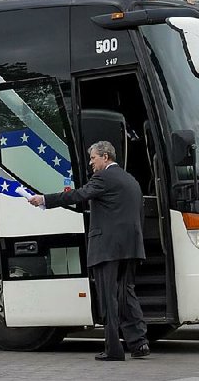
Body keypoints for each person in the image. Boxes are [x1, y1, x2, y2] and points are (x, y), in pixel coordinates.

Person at [28, 140, 149, 361]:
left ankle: (113, 349)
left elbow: (78, 195)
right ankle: (139, 343)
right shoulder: (130, 179)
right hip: (131, 245)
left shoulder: (103, 178)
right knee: (126, 293)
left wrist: (44, 199)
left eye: (93, 158)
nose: (91, 163)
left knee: (108, 297)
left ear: (105, 157)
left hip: (107, 247)